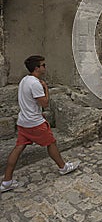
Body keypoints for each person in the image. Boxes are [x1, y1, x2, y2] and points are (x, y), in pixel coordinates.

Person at [0, 55, 80, 193]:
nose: (45, 67)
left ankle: (7, 181)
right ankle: (63, 167)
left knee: (19, 147)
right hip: (34, 122)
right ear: (37, 68)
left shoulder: (24, 80)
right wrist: (46, 88)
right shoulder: (36, 84)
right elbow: (45, 103)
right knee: (51, 143)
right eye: (43, 65)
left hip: (23, 120)